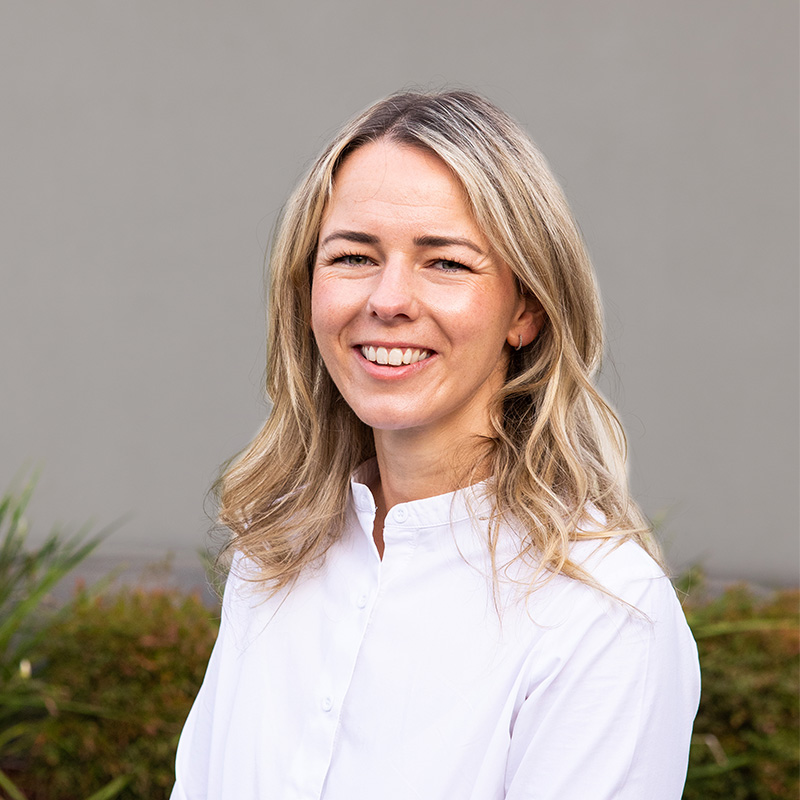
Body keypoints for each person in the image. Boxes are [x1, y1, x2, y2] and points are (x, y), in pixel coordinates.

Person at [171, 90, 700, 800]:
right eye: (353, 256)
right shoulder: (272, 557)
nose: (388, 300)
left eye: (445, 262)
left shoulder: (602, 613)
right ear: (307, 293)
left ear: (527, 309)